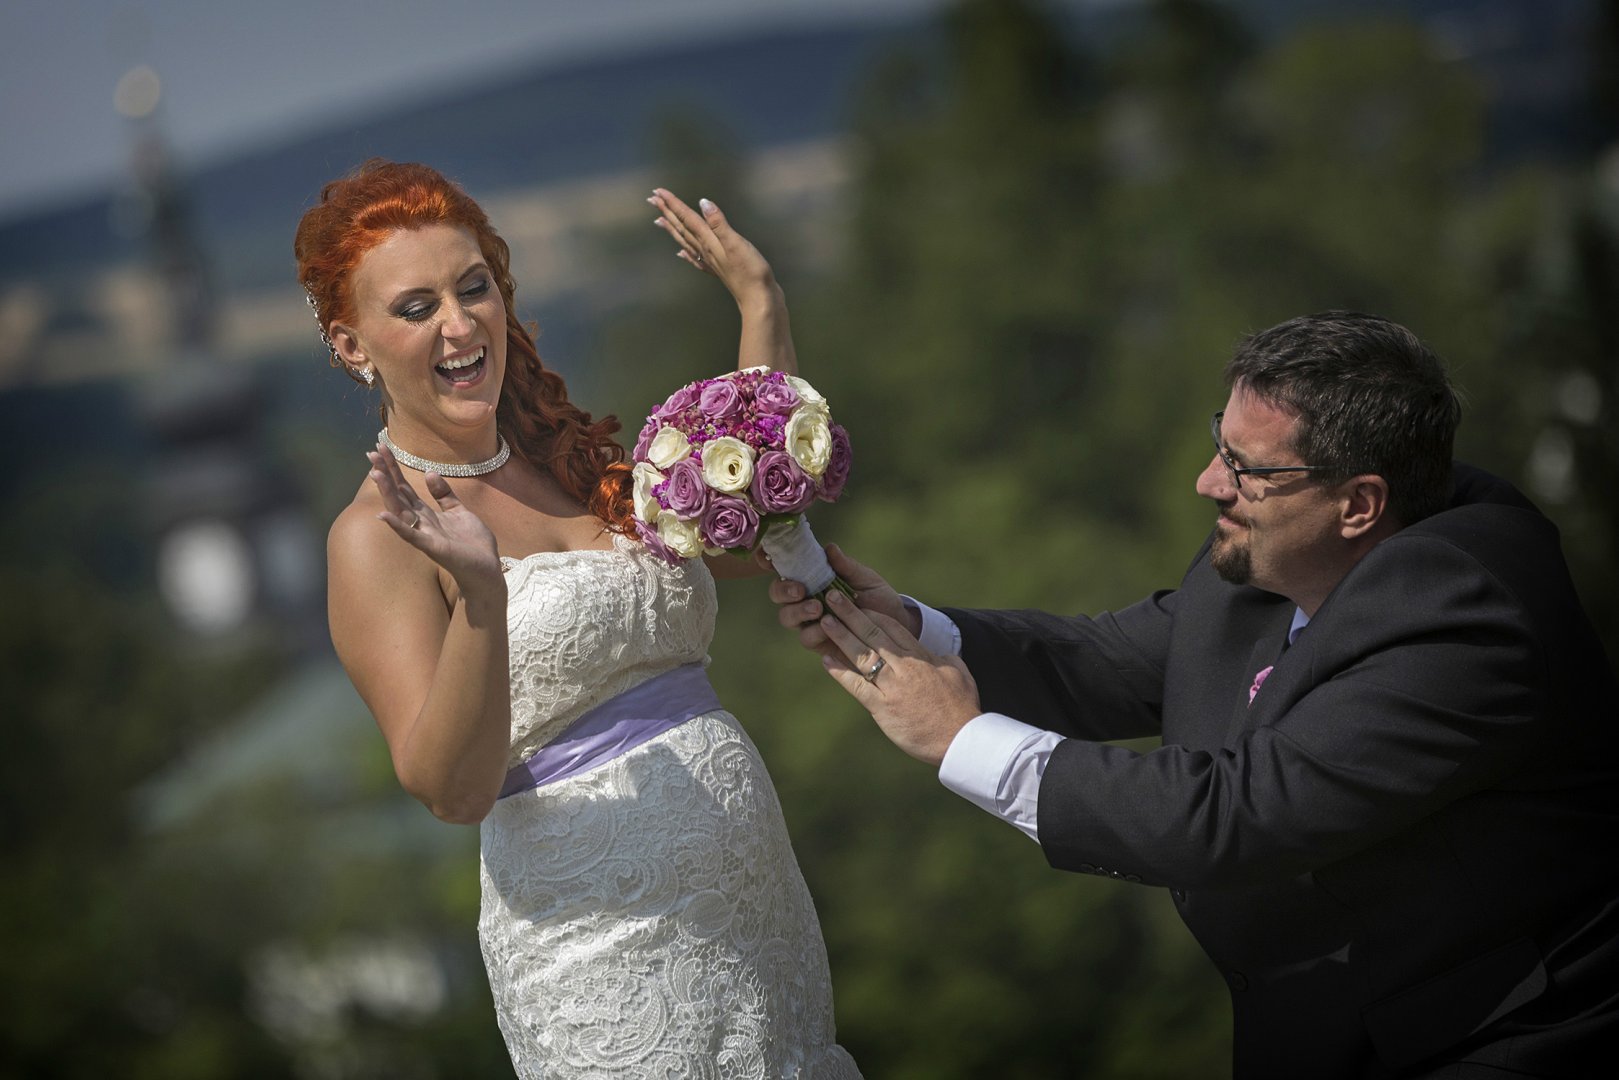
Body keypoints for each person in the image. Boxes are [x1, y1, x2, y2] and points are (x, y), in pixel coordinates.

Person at [771, 311, 1619, 1078]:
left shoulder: (1464, 617)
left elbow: (1233, 818)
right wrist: (913, 629)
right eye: (1220, 443)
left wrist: (959, 736)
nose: (1208, 481)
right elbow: (1106, 660)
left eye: (1245, 468)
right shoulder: (1276, 552)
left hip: (1497, 1040)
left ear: (1358, 505)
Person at [296, 159, 860, 1078]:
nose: (459, 323)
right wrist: (481, 602)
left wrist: (760, 302)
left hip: (758, 917)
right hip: (601, 952)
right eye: (416, 307)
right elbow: (450, 791)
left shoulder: (570, 462)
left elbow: (747, 503)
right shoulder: (375, 536)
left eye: (473, 288)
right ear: (352, 345)